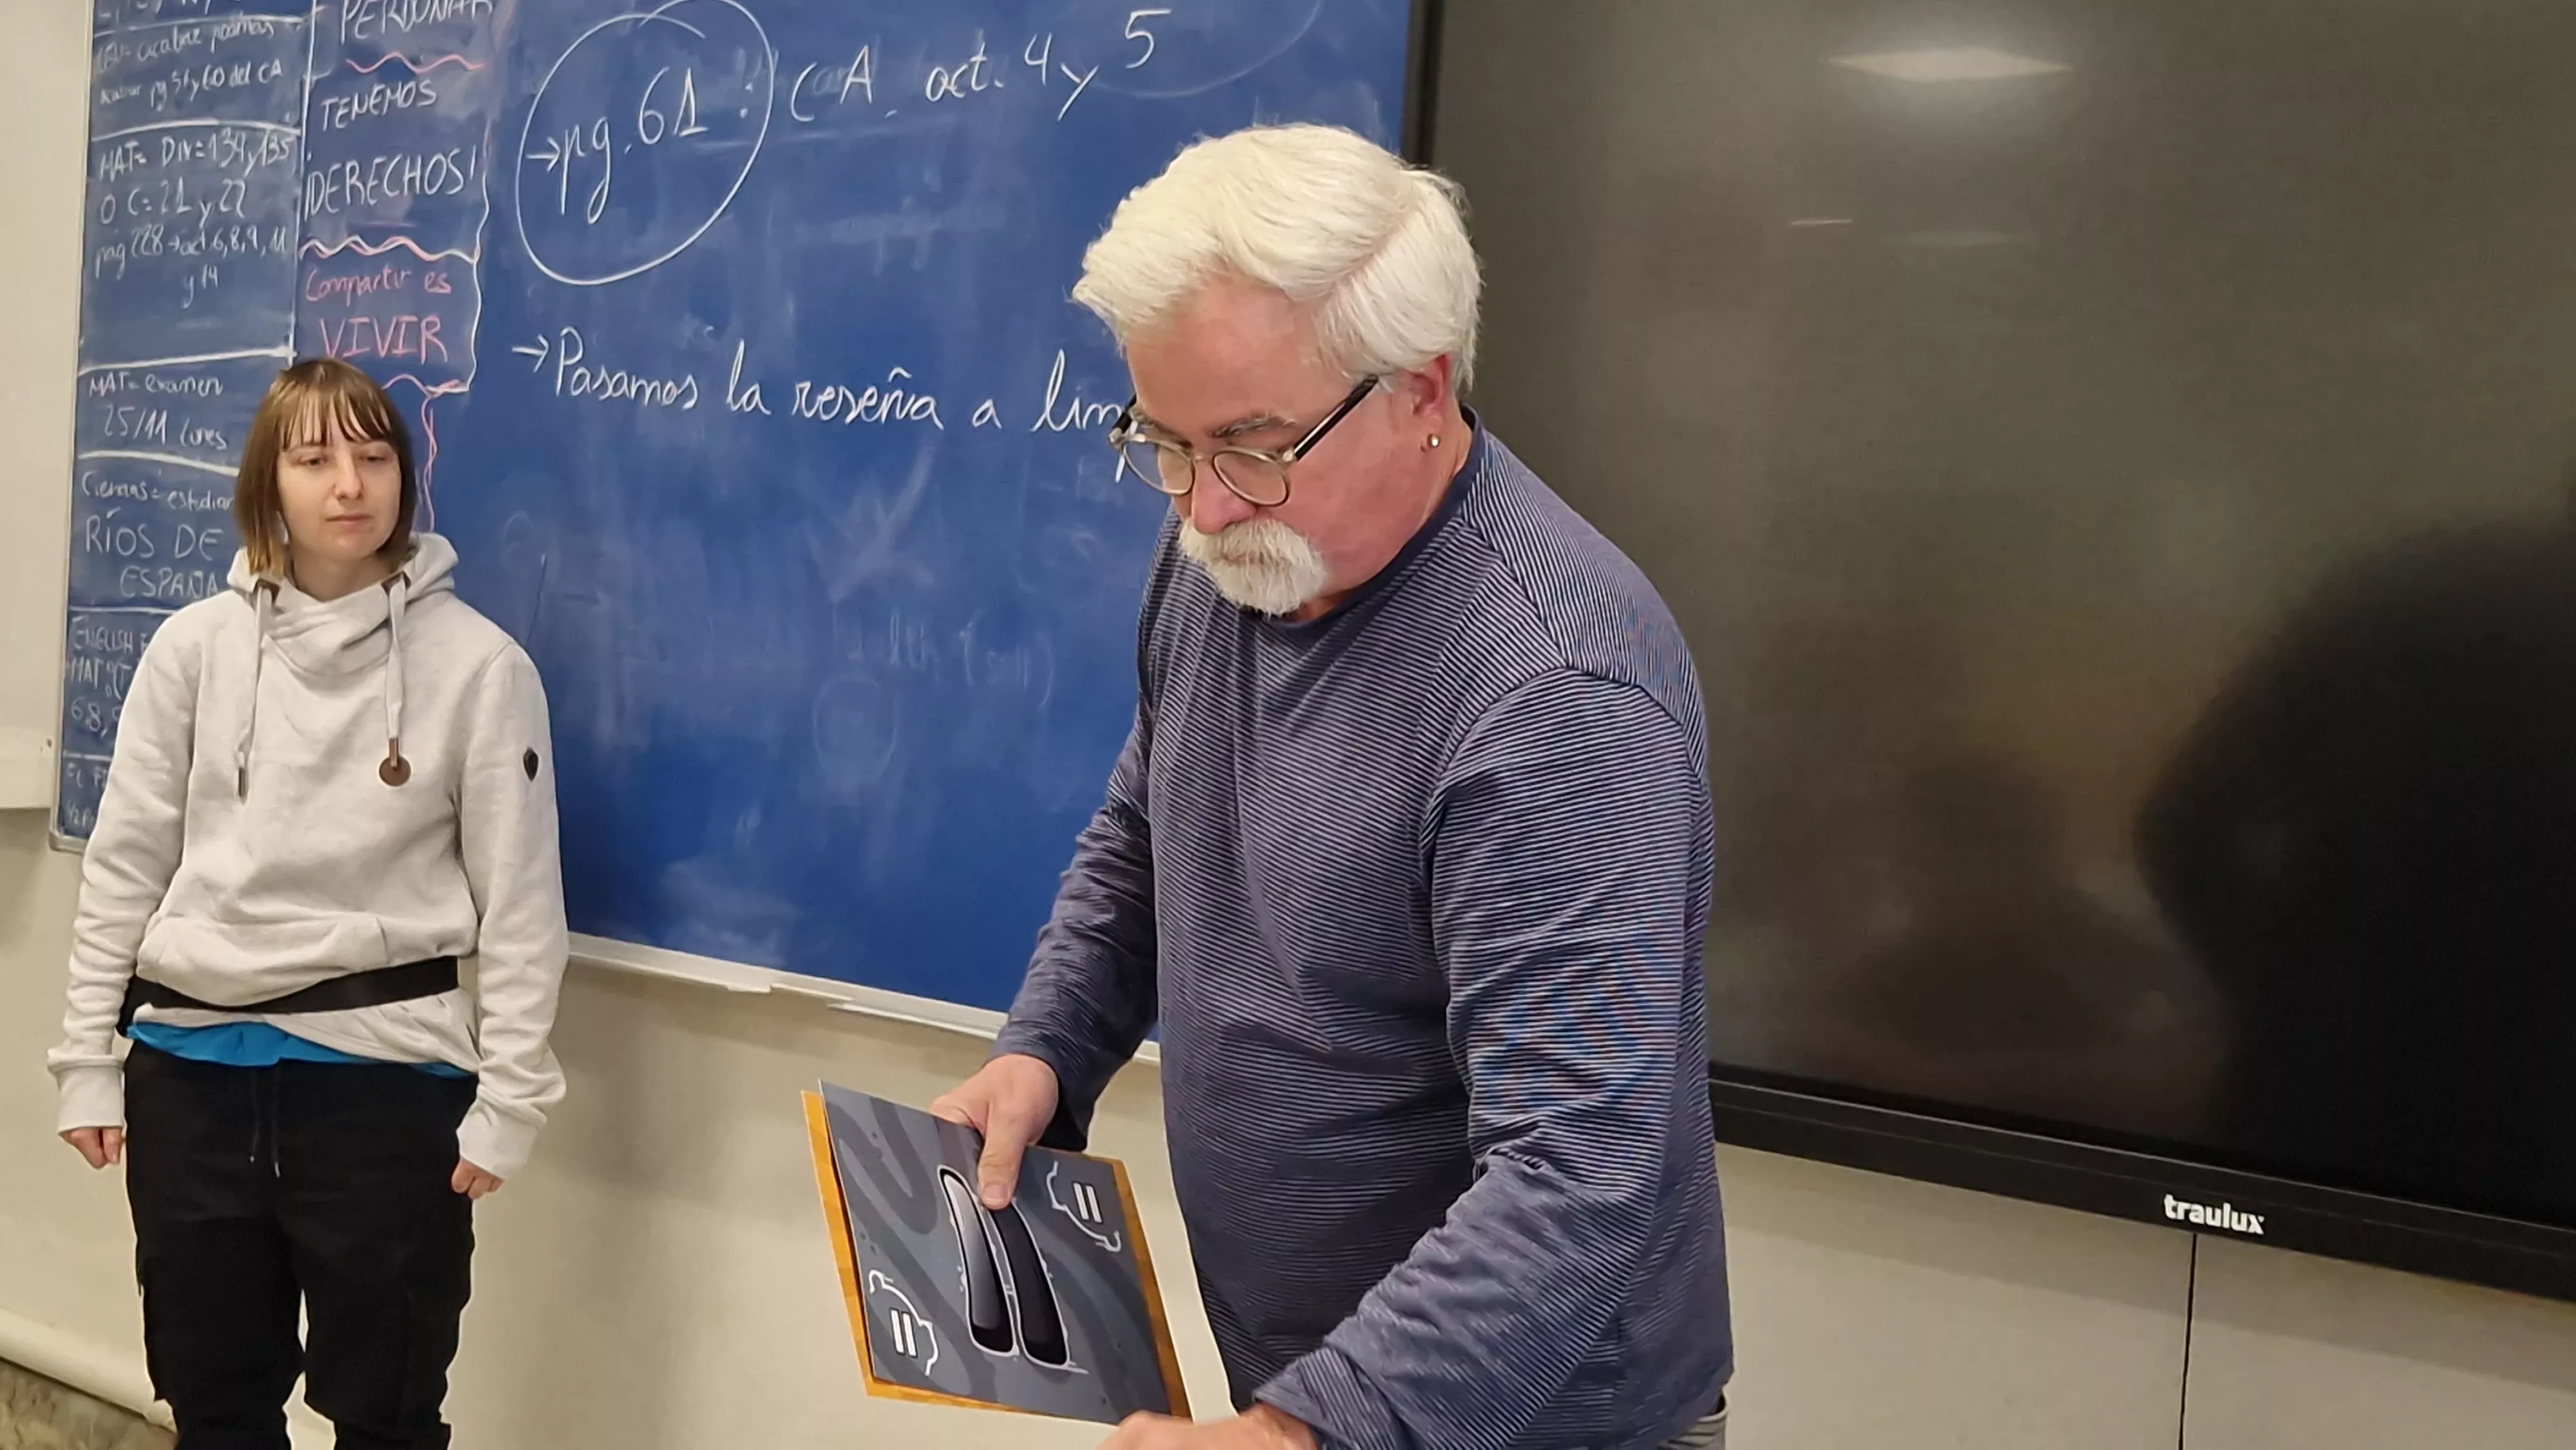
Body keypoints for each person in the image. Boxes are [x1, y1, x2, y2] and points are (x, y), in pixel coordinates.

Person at [932, 125, 1732, 1450]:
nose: (1202, 508)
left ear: (1421, 390)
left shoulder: (1555, 695)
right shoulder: (1239, 549)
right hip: (1322, 1390)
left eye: (1251, 445)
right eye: (1166, 443)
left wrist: (1290, 1435)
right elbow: (1149, 828)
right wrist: (1046, 1049)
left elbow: (1575, 1178)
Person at [48, 357, 569, 1450]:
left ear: (405, 478)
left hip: (385, 1087)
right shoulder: (194, 649)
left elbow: (523, 906)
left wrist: (512, 1099)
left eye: (375, 457)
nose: (349, 485)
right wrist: (86, 1057)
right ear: (266, 483)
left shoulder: (481, 668)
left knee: (386, 1413)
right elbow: (125, 865)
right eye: (315, 459)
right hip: (191, 1079)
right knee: (215, 1407)